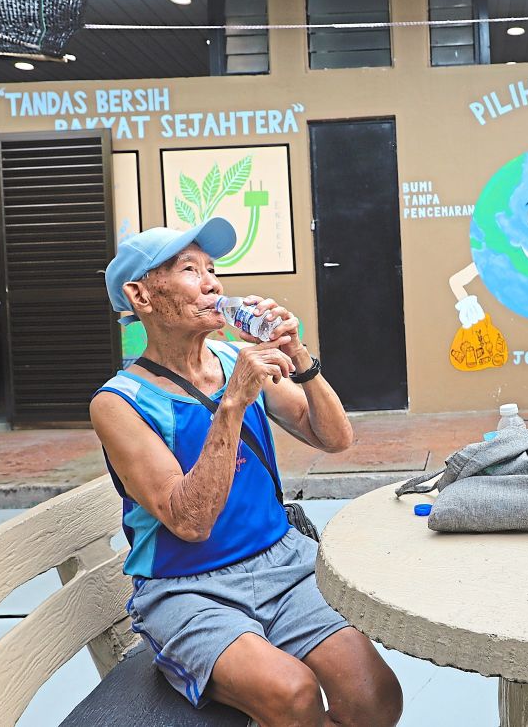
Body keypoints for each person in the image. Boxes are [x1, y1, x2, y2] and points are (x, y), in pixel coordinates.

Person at [91, 220, 402, 726]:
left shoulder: (233, 354)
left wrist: (298, 355)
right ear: (141, 295)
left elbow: (333, 438)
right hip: (186, 586)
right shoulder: (118, 403)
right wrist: (233, 400)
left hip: (282, 562)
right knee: (293, 695)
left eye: (212, 269)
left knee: (375, 697)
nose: (213, 283)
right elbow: (188, 522)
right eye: (189, 270)